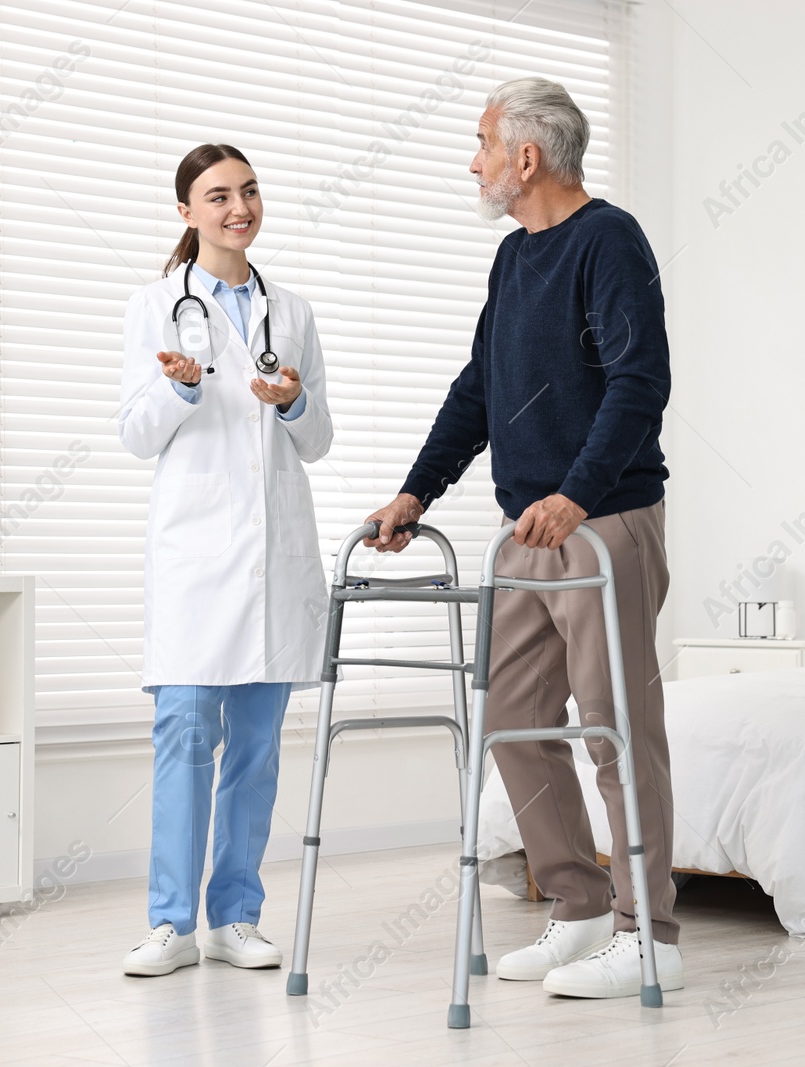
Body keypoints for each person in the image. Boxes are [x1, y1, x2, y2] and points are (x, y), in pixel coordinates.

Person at [364, 78, 682, 1000]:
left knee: (618, 730)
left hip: (603, 521)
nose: (474, 162)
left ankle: (649, 931)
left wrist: (578, 495)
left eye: (481, 145)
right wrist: (417, 488)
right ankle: (581, 908)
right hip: (527, 528)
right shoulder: (514, 259)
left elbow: (639, 380)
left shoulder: (609, 241)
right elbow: (480, 387)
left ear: (527, 158)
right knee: (511, 717)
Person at [116, 143, 333, 977]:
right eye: (217, 196)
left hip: (273, 559)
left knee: (255, 747)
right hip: (195, 559)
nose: (237, 207)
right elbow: (135, 435)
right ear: (186, 212)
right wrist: (178, 387)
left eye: (247, 192)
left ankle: (234, 916)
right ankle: (170, 923)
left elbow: (317, 440)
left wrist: (294, 402)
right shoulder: (154, 308)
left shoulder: (294, 312)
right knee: (183, 734)